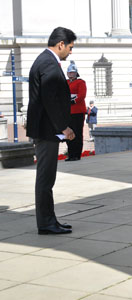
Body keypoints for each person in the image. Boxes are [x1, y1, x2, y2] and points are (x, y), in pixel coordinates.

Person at [26, 27, 77, 235]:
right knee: (46, 179)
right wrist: (63, 127)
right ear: (61, 44)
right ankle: (46, 223)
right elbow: (49, 100)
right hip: (47, 130)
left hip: (46, 129)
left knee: (47, 179)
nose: (71, 52)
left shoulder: (46, 60)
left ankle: (50, 220)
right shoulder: (47, 62)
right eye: (70, 47)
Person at [65, 61, 86, 161]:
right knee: (69, 133)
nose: (70, 74)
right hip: (68, 111)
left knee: (77, 133)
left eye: (72, 73)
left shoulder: (80, 82)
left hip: (77, 111)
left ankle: (76, 155)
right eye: (69, 73)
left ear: (76, 73)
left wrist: (73, 101)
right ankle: (71, 154)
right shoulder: (66, 82)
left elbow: (82, 95)